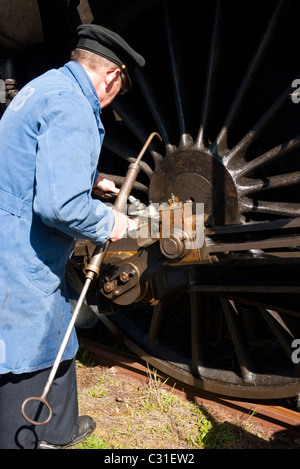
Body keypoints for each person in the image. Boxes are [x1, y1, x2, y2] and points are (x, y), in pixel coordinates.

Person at [0, 24, 145, 449]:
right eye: (118, 89)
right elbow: (60, 207)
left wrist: (90, 179)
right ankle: (20, 438)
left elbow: (29, 156)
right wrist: (110, 224)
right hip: (19, 245)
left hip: (15, 231)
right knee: (25, 343)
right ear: (112, 76)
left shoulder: (45, 86)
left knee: (54, 325)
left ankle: (59, 429)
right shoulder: (73, 108)